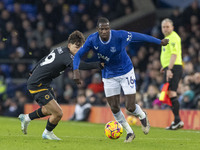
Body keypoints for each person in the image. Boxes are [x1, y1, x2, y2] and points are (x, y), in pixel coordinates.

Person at [73, 17, 169, 142]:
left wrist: (159, 41)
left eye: (107, 28)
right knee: (114, 107)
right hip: (108, 75)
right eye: (102, 29)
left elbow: (140, 36)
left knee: (130, 106)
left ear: (109, 28)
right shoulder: (92, 39)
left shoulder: (119, 36)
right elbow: (79, 54)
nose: (104, 31)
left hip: (126, 72)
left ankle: (142, 115)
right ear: (98, 29)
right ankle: (129, 132)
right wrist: (76, 71)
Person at [18, 30, 103, 140]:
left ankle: (27, 118)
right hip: (37, 84)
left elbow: (45, 58)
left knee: (49, 110)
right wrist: (98, 65)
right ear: (69, 45)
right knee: (58, 113)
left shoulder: (60, 50)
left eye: (80, 48)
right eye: (77, 47)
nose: (79, 51)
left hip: (45, 83)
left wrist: (33, 70)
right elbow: (79, 65)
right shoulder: (67, 56)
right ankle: (47, 133)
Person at [160, 18, 184, 130]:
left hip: (174, 68)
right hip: (170, 67)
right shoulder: (167, 38)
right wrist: (164, 66)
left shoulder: (173, 37)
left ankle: (178, 120)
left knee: (172, 92)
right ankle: (176, 121)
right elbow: (168, 55)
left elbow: (174, 55)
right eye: (163, 27)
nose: (165, 29)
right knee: (169, 93)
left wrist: (169, 69)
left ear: (172, 27)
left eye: (167, 26)